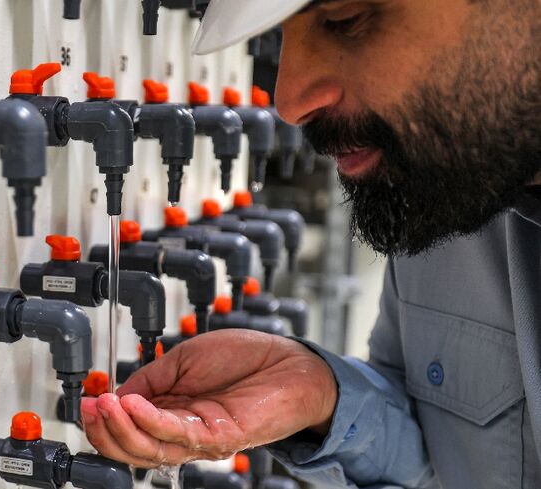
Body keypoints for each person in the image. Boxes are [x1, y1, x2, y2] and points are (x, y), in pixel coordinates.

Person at [80, 0, 541, 487]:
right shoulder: (447, 183)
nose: (289, 101)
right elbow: (447, 464)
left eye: (345, 19)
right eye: (280, 36)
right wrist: (322, 398)